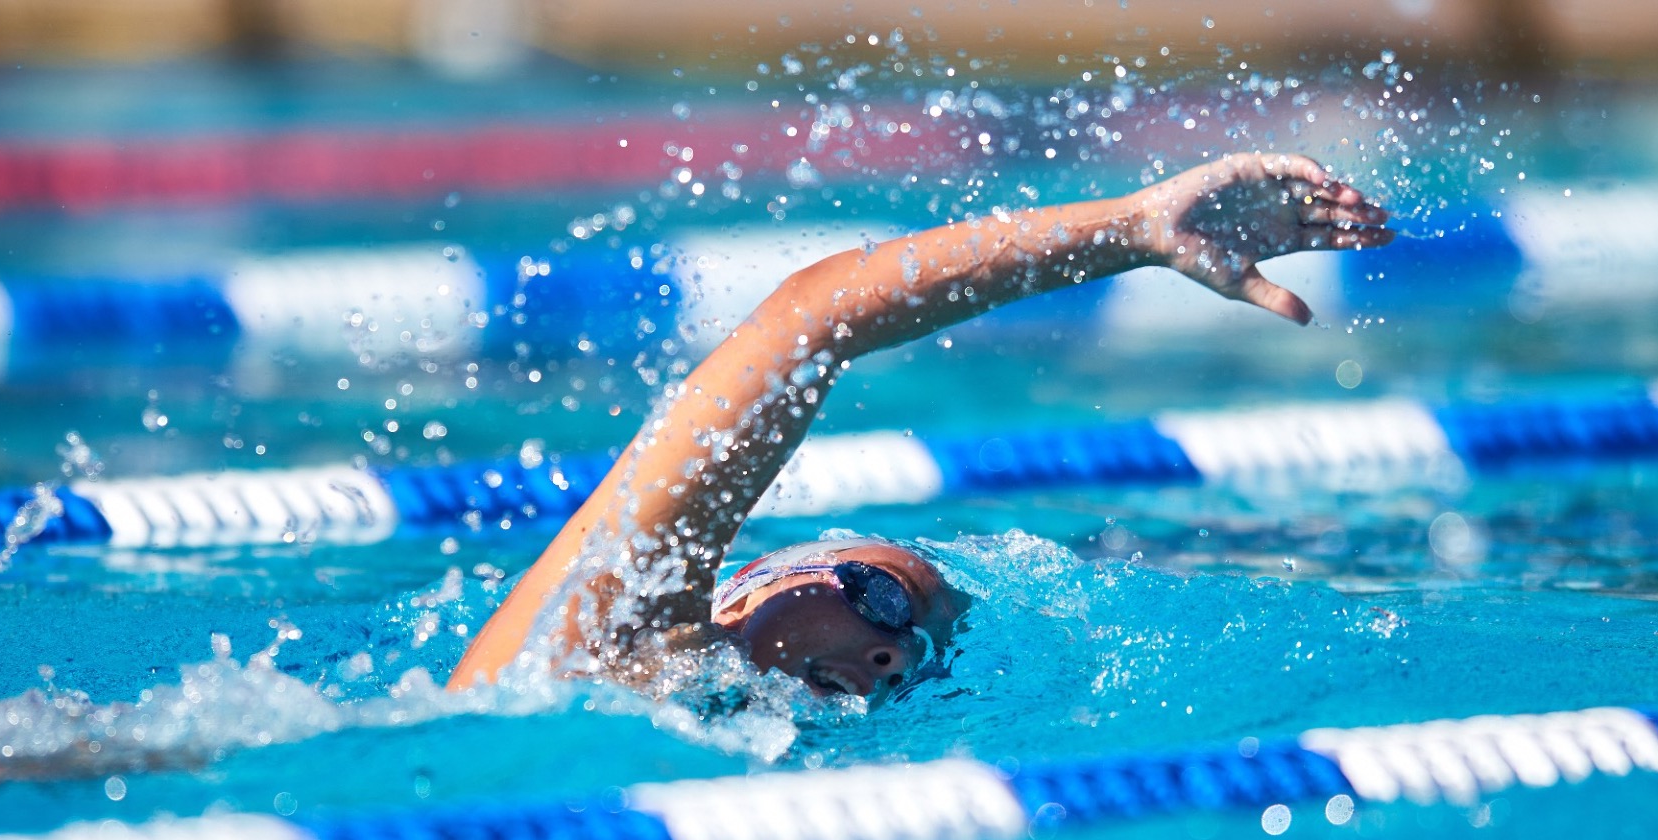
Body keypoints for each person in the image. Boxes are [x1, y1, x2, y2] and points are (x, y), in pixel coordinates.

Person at [447, 153, 1392, 705]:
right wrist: (1130, 227)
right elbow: (810, 318)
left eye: (918, 653)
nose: (894, 655)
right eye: (880, 597)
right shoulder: (615, 628)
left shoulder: (672, 698)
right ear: (746, 584)